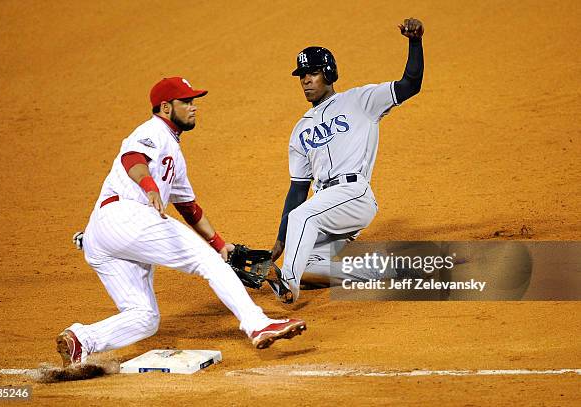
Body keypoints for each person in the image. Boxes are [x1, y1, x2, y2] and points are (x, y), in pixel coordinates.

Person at [57, 77, 306, 367]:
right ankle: (257, 324)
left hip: (102, 235)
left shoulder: (173, 151)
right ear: (165, 107)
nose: (193, 107)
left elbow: (189, 208)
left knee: (144, 317)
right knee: (208, 263)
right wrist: (150, 186)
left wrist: (220, 245)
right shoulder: (152, 131)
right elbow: (133, 159)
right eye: (186, 102)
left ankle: (82, 340)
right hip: (128, 215)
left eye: (193, 101)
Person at [268, 18, 425, 303]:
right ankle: (383, 273)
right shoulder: (300, 130)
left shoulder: (360, 101)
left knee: (301, 217)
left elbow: (410, 84)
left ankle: (287, 285)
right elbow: (298, 190)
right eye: (302, 75)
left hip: (354, 195)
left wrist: (415, 43)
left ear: (328, 74)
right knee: (306, 261)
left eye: (312, 73)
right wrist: (280, 240)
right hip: (326, 206)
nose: (305, 80)